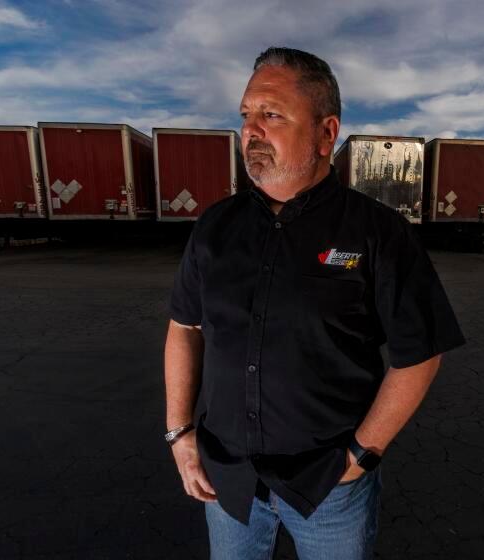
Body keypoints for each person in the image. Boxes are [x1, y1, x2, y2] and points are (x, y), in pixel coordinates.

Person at [164, 47, 465, 560]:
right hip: (227, 478)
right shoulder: (215, 227)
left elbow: (420, 353)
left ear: (327, 133)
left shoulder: (377, 232)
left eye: (272, 114)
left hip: (329, 487)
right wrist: (179, 434)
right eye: (246, 114)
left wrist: (361, 454)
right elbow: (184, 328)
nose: (251, 130)